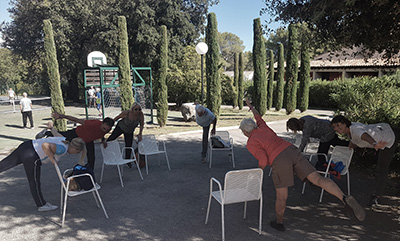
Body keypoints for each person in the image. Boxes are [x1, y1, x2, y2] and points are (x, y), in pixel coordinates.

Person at [240, 99, 365, 231]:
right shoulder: (262, 127)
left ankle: (279, 222)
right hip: (292, 151)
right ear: (253, 126)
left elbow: (263, 160)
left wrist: (256, 173)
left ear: (245, 132)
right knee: (318, 179)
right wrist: (251, 107)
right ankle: (344, 198)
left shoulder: (251, 142)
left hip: (278, 160)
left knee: (282, 195)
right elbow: (258, 116)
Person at [0, 122, 86, 212]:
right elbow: (45, 145)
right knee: (34, 182)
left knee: (3, 165)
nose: (75, 154)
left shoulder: (65, 140)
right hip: (32, 156)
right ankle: (42, 205)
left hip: (26, 146)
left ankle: (41, 204)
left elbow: (55, 133)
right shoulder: (63, 149)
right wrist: (52, 159)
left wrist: (51, 128)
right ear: (75, 149)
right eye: (77, 153)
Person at [331, 115, 399, 206]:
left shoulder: (355, 131)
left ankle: (376, 196)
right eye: (334, 127)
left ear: (345, 123)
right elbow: (355, 139)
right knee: (381, 168)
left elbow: (364, 136)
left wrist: (374, 144)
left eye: (338, 125)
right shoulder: (351, 128)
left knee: (382, 169)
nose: (337, 128)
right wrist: (350, 146)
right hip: (384, 129)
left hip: (388, 139)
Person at [42, 112, 114, 169]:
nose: (106, 129)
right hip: (77, 133)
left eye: (108, 128)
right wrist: (62, 116)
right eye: (105, 127)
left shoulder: (107, 129)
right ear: (102, 123)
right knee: (62, 137)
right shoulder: (93, 124)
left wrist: (103, 140)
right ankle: (47, 133)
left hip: (88, 139)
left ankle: (90, 171)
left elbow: (101, 134)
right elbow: (76, 120)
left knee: (91, 156)